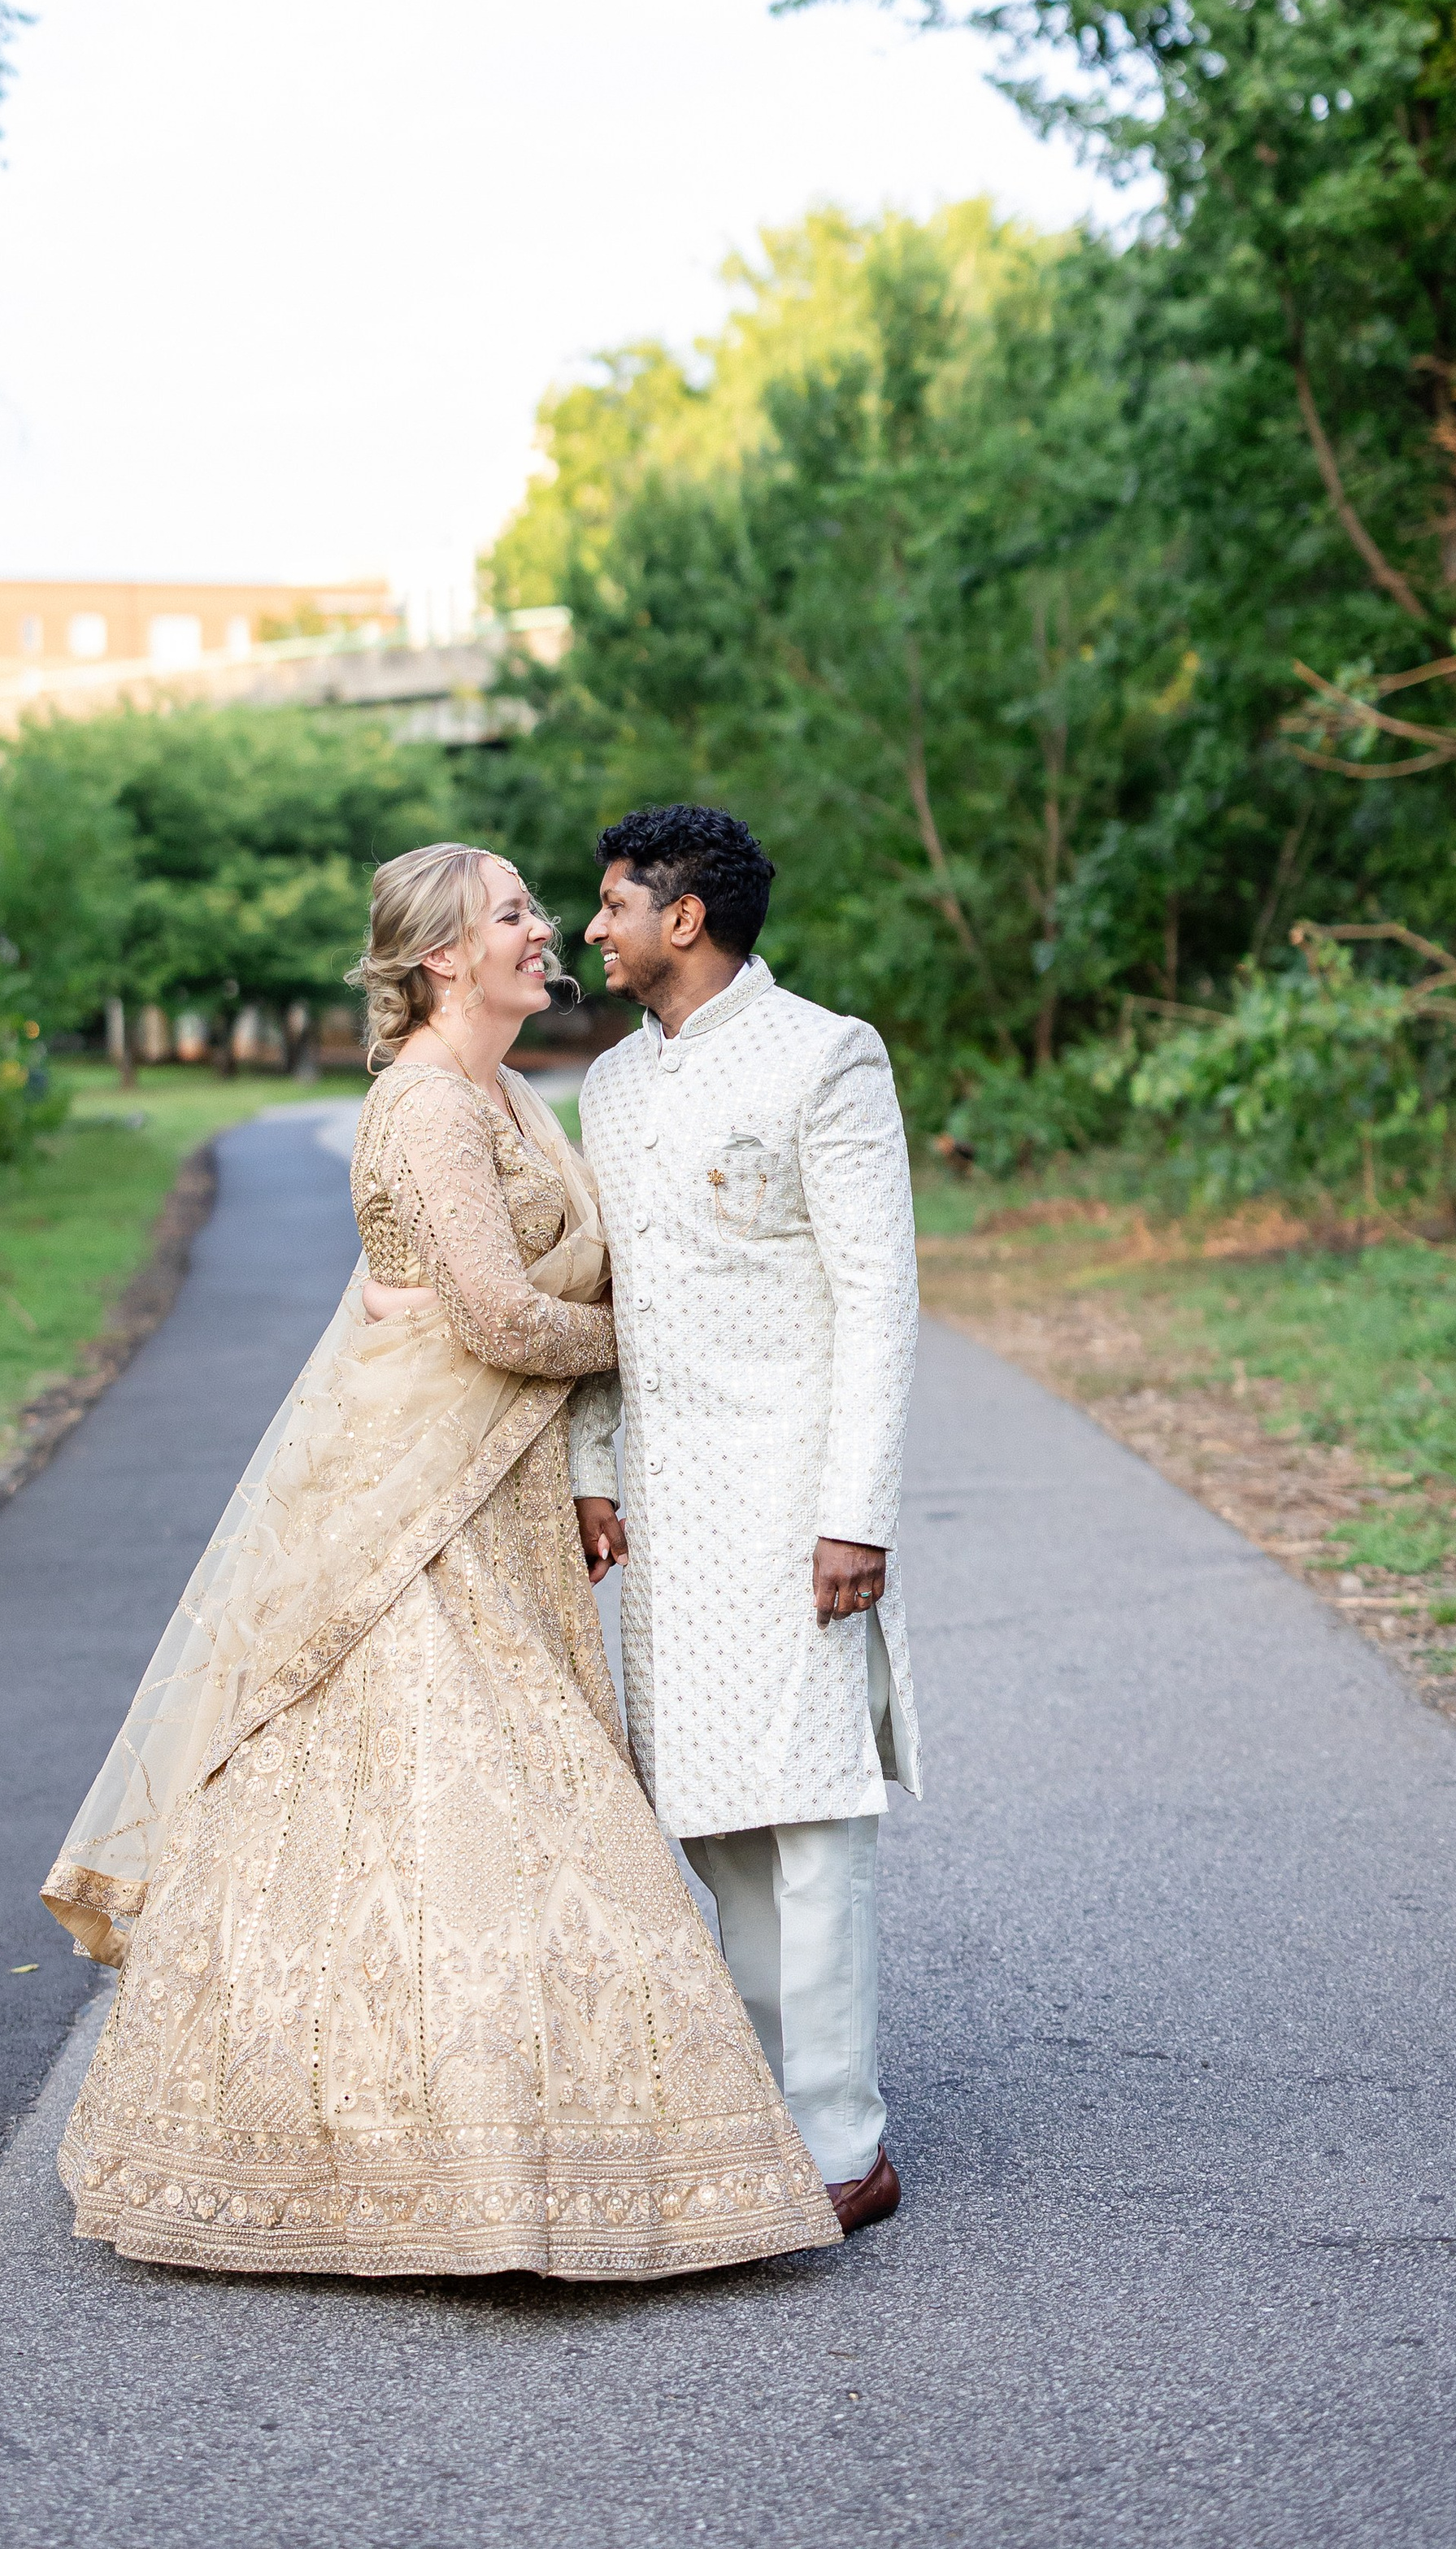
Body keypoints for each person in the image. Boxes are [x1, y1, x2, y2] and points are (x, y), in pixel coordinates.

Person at [41, 842, 841, 2280]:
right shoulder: (422, 1105)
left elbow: (559, 1292)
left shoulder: (516, 1096)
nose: (553, 933)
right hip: (416, 1516)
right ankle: (412, 2163)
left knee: (492, 1823)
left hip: (507, 1496)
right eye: (520, 914)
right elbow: (495, 1315)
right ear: (442, 961)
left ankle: (515, 2151)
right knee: (494, 1820)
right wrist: (674, 1346)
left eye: (546, 910)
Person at [568, 804, 920, 2238]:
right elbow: (607, 1303)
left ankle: (845, 2143)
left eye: (612, 904)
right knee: (712, 1818)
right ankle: (773, 2100)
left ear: (686, 917)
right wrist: (595, 1461)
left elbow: (878, 1297)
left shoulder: (826, 1054)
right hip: (665, 1507)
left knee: (814, 1812)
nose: (592, 927)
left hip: (791, 1499)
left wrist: (857, 1512)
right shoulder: (605, 1085)